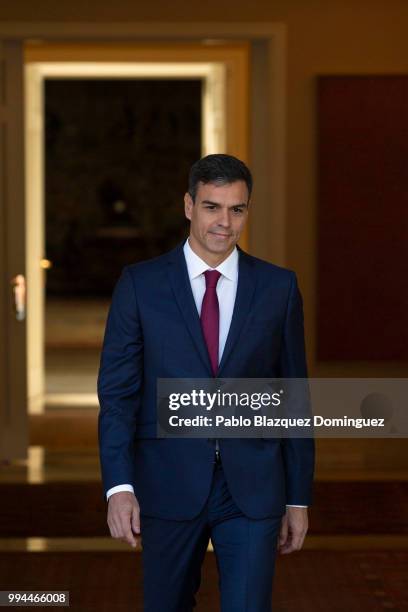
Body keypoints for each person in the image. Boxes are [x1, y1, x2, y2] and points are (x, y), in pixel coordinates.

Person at [97, 154, 314, 611]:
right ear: (189, 206)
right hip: (166, 483)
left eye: (237, 209)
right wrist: (119, 487)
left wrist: (298, 497)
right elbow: (118, 396)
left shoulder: (278, 288)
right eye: (213, 207)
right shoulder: (140, 285)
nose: (225, 222)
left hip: (252, 487)